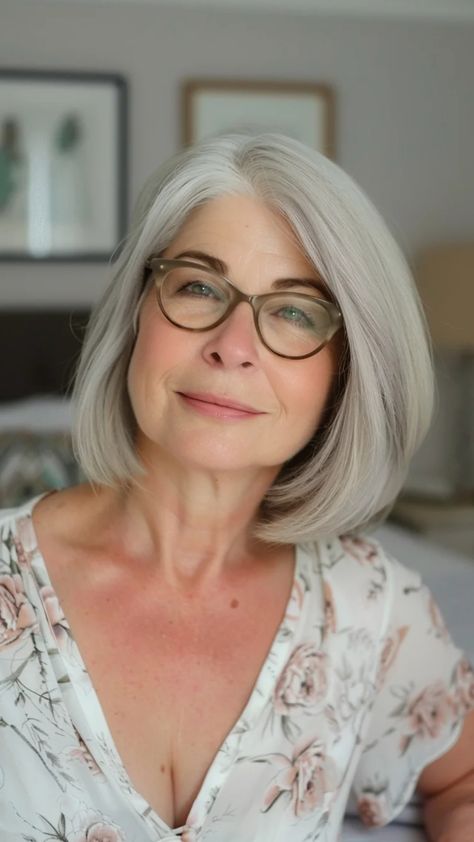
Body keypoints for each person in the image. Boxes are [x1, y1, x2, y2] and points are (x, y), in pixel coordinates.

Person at [0, 132, 473, 842]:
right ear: (136, 316)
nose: (233, 344)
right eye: (198, 286)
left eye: (293, 311)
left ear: (344, 373)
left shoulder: (374, 610)